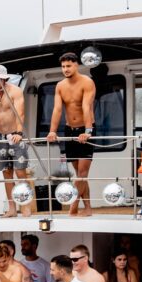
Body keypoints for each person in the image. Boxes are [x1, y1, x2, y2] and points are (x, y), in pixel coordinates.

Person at [46, 53, 96, 216]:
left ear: (76, 65)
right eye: (63, 66)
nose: (65, 69)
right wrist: (52, 131)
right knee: (80, 174)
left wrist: (88, 131)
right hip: (70, 130)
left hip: (85, 130)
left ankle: (73, 206)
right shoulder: (60, 86)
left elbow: (86, 107)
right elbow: (57, 110)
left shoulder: (87, 82)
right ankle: (88, 208)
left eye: (69, 66)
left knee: (82, 173)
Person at [0, 64, 31, 218]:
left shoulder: (15, 91)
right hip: (0, 135)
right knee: (6, 173)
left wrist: (18, 132)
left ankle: (25, 205)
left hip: (16, 134)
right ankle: (11, 207)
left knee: (20, 171)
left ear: (5, 79)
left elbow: (20, 113)